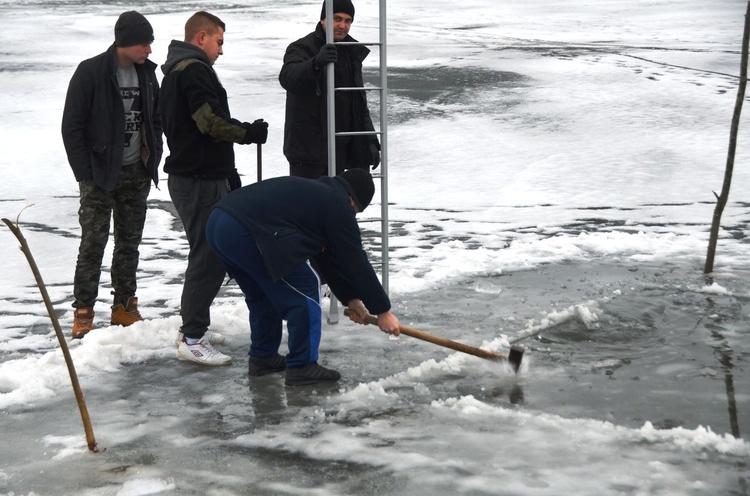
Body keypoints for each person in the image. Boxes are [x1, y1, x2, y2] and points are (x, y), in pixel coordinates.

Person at [205, 168, 400, 386]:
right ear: (354, 201)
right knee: (306, 286)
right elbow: (355, 260)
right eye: (356, 211)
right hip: (244, 229)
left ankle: (263, 358)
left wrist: (352, 300)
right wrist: (383, 311)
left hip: (218, 223)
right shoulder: (338, 205)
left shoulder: (317, 196)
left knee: (264, 294)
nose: (352, 216)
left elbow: (328, 259)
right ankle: (302, 365)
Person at [160, 11, 268, 365]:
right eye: (219, 42)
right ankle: (192, 337)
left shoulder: (180, 69)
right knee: (210, 256)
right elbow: (209, 123)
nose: (221, 50)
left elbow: (198, 126)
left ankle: (193, 328)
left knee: (208, 253)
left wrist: (229, 171)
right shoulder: (192, 70)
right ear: (201, 36)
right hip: (199, 179)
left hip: (200, 175)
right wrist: (247, 133)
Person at [61, 11, 163, 339]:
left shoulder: (147, 74)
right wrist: (84, 173)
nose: (149, 49)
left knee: (129, 241)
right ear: (126, 42)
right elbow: (72, 127)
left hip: (136, 170)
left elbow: (155, 118)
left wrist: (153, 159)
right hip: (99, 174)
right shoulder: (91, 72)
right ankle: (83, 310)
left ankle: (123, 306)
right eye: (144, 42)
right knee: (93, 241)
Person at [279, 0, 380, 179]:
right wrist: (316, 63)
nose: (342, 25)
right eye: (337, 19)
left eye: (348, 21)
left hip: (339, 148)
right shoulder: (302, 47)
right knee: (307, 205)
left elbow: (357, 102)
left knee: (334, 205)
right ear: (323, 20)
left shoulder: (350, 51)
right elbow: (288, 78)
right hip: (308, 152)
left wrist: (369, 140)